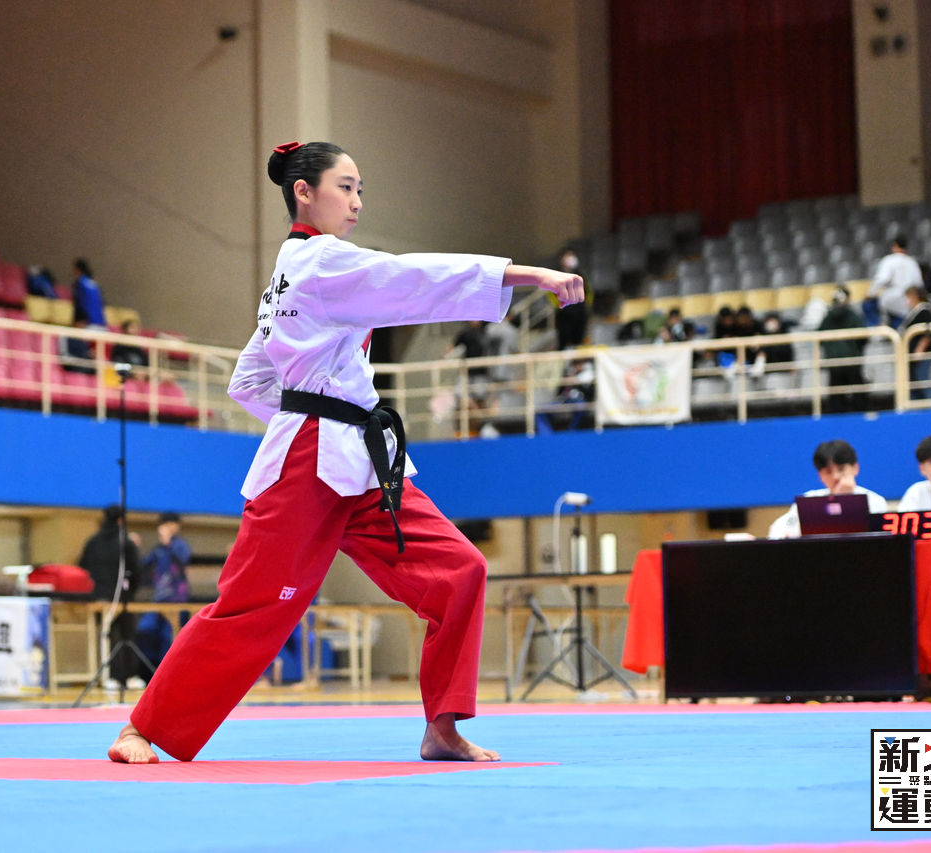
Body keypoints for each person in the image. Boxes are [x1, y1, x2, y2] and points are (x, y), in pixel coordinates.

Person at [108, 140, 582, 765]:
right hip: (310, 460)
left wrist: (310, 412)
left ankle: (442, 728)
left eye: (361, 190)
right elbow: (414, 278)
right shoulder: (321, 261)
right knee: (256, 605)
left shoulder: (289, 277)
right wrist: (527, 275)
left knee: (458, 571)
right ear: (304, 193)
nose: (357, 201)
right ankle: (140, 729)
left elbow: (247, 380)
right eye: (346, 187)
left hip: (357, 456)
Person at [767, 439, 889, 539]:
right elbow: (777, 531)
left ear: (855, 468)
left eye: (841, 469)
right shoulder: (809, 500)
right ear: (820, 475)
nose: (835, 476)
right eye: (828, 471)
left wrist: (844, 499)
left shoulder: (875, 501)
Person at [78, 505, 142, 688]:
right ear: (121, 520)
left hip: (99, 598)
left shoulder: (92, 542)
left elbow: (83, 568)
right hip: (122, 598)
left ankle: (108, 678)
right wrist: (129, 592)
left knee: (105, 636)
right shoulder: (126, 542)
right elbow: (136, 572)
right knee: (126, 636)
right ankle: (129, 677)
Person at [131, 511, 192, 680]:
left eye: (170, 524)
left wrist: (168, 542)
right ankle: (151, 673)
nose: (166, 528)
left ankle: (171, 676)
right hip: (159, 600)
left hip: (177, 601)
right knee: (145, 630)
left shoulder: (180, 546)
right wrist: (133, 548)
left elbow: (183, 560)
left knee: (170, 638)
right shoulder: (158, 550)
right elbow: (143, 566)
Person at [818, 285, 867, 413]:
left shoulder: (827, 317)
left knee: (836, 396)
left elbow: (819, 336)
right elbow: (864, 338)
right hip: (852, 360)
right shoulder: (853, 316)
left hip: (834, 362)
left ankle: (836, 417)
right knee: (858, 394)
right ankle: (861, 414)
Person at [865, 235, 921, 327]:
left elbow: (882, 279)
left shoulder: (889, 260)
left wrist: (871, 293)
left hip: (891, 301)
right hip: (908, 303)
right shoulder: (912, 262)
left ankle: (876, 329)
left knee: (868, 305)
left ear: (895, 246)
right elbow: (918, 284)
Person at [899, 286, 931, 400]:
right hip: (911, 355)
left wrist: (920, 349)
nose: (907, 301)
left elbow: (928, 332)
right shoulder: (914, 311)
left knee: (923, 381)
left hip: (922, 355)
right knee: (914, 384)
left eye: (908, 297)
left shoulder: (924, 310)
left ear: (915, 297)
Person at [552, 248, 590, 350]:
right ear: (562, 259)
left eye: (572, 255)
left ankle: (578, 360)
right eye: (568, 256)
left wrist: (585, 305)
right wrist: (558, 304)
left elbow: (588, 292)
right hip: (563, 313)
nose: (571, 258)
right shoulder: (556, 274)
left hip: (579, 312)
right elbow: (551, 293)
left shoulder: (581, 274)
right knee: (563, 341)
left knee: (578, 342)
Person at [71, 258, 106, 328]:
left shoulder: (80, 283)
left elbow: (80, 304)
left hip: (87, 324)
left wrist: (78, 321)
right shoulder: (94, 284)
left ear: (77, 269)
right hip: (101, 324)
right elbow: (102, 303)